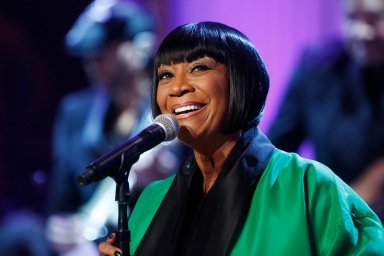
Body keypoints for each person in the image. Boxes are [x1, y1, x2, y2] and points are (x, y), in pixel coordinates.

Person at [98, 21, 384, 256]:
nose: (178, 87)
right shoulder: (152, 200)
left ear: (241, 81)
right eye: (165, 75)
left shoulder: (309, 186)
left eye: (198, 68)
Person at [45, 0, 189, 254]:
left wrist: (168, 181)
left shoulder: (175, 106)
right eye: (90, 52)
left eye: (105, 49)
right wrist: (59, 228)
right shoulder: (74, 112)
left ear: (141, 45)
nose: (92, 59)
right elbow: (61, 204)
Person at [267, 0, 384, 220]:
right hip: (332, 212)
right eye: (353, 18)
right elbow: (277, 146)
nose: (362, 32)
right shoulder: (316, 66)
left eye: (375, 18)